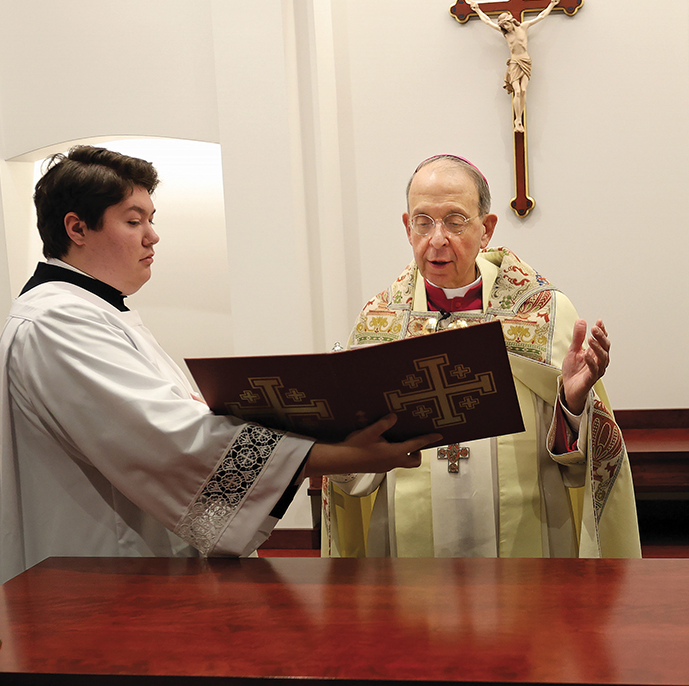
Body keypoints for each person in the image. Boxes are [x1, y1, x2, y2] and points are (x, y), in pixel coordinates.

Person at [0, 145, 437, 583]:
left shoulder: (95, 311)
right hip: (93, 572)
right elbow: (170, 441)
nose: (152, 236)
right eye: (134, 221)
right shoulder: (56, 321)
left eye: (152, 220)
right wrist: (338, 456)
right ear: (76, 228)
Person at [322, 154, 641, 558]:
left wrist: (573, 405)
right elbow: (351, 472)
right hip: (410, 555)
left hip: (527, 545)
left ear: (486, 229)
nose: (437, 239)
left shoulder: (542, 313)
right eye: (423, 221)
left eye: (454, 221)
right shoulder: (379, 323)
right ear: (407, 227)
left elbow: (580, 465)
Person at [470, 0, 562, 133]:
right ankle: (517, 121)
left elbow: (541, 16)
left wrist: (552, 4)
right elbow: (488, 22)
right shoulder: (506, 34)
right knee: (517, 92)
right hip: (514, 62)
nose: (505, 28)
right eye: (503, 26)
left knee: (523, 90)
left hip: (525, 61)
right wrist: (477, 10)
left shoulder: (523, 27)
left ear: (511, 21)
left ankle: (519, 119)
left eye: (506, 24)